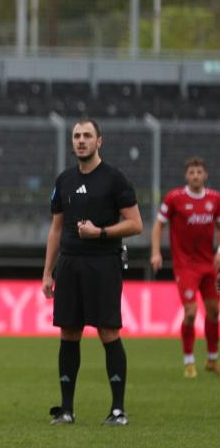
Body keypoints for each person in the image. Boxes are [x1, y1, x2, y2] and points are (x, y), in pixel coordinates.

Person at [42, 118, 142, 426]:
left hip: (103, 263)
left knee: (108, 331)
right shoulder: (64, 180)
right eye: (76, 136)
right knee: (69, 332)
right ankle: (67, 410)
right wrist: (48, 272)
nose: (81, 140)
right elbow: (56, 229)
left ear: (100, 141)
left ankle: (117, 410)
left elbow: (135, 224)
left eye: (87, 135)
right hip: (70, 264)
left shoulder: (114, 179)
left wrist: (100, 232)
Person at [150, 157, 220, 378]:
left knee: (214, 312)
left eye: (199, 172)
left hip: (209, 264)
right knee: (190, 313)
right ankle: (189, 361)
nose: (196, 176)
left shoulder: (215, 199)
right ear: (186, 176)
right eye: (192, 172)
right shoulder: (174, 198)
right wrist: (156, 252)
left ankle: (211, 359)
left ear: (205, 175)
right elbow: (159, 225)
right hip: (185, 266)